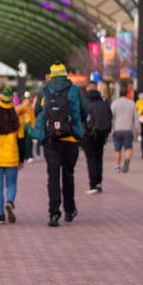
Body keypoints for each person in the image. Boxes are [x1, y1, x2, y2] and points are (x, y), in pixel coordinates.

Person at [32, 62, 85, 227]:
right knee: (68, 175)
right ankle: (69, 210)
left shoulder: (45, 90)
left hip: (51, 141)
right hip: (71, 140)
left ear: (52, 75)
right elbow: (84, 112)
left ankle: (54, 213)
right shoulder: (75, 90)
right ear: (65, 74)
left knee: (53, 176)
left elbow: (36, 112)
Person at [0, 87, 25, 223]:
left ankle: (0, 215)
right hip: (12, 157)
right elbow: (22, 142)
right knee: (12, 184)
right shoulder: (17, 120)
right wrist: (21, 159)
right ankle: (9, 201)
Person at [82, 82, 112, 193]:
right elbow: (110, 118)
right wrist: (106, 133)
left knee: (90, 159)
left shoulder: (84, 102)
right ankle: (98, 182)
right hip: (101, 134)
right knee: (99, 158)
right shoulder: (104, 103)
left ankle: (92, 185)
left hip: (88, 134)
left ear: (87, 89)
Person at [110, 89, 137, 173]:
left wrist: (111, 129)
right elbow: (136, 117)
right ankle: (126, 164)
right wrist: (138, 129)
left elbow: (111, 116)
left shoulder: (114, 103)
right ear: (126, 94)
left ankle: (117, 166)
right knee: (128, 148)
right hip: (128, 129)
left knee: (117, 149)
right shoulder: (132, 103)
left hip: (117, 129)